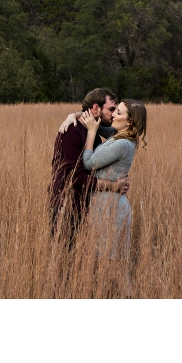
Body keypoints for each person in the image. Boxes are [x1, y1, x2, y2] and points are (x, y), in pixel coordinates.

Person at [49, 88, 129, 246]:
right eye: (111, 109)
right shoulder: (71, 131)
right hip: (66, 206)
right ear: (95, 108)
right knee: (65, 256)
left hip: (85, 206)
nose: (113, 114)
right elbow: (74, 177)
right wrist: (113, 186)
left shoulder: (93, 130)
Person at [78, 99, 147, 263]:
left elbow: (88, 163)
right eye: (115, 110)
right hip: (103, 207)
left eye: (119, 112)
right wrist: (71, 116)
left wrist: (91, 133)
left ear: (129, 122)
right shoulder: (116, 134)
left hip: (112, 210)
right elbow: (92, 120)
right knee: (102, 264)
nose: (113, 114)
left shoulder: (123, 143)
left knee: (113, 266)